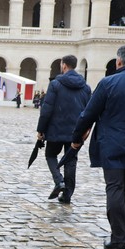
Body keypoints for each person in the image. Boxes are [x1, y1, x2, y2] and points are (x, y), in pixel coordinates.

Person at [71, 45, 125, 249]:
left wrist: (76, 138)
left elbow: (88, 114)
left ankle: (118, 238)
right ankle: (120, 232)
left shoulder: (108, 82)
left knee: (115, 188)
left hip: (112, 144)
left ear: (119, 62)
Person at [36, 55, 91, 204]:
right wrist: (86, 130)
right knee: (71, 161)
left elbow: (46, 110)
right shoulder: (86, 87)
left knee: (50, 155)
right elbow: (89, 111)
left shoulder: (55, 84)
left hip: (55, 129)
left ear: (64, 66)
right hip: (76, 131)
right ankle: (67, 195)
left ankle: (59, 181)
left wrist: (41, 130)